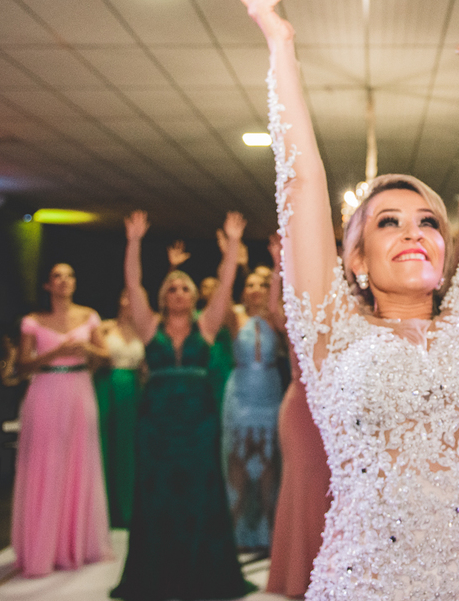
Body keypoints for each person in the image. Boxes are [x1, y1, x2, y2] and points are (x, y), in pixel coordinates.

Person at [226, 0, 459, 599]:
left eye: (427, 221)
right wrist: (280, 45)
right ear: (355, 259)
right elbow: (301, 181)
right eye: (387, 223)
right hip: (376, 578)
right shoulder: (331, 334)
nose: (413, 232)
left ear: (443, 245)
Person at [110, 211, 250, 601]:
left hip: (198, 423)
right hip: (155, 425)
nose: (179, 293)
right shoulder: (149, 327)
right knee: (155, 494)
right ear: (164, 296)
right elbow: (132, 284)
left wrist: (234, 242)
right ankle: (156, 575)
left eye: (186, 289)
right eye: (173, 288)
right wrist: (134, 241)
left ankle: (201, 574)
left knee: (200, 493)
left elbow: (224, 285)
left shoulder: (207, 327)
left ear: (193, 298)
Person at [11, 263, 112, 577]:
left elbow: (107, 355)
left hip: (80, 389)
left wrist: (87, 348)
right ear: (47, 285)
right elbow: (23, 365)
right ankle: (44, 546)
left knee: (80, 462)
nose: (64, 281)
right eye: (57, 276)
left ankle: (77, 544)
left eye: (69, 275)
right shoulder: (32, 322)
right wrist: (54, 354)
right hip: (45, 390)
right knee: (46, 463)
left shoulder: (89, 316)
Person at [265, 233, 332, 598]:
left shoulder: (343, 312)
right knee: (302, 483)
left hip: (336, 410)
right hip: (300, 407)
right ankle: (299, 573)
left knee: (331, 485)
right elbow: (273, 308)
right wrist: (279, 263)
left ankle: (333, 568)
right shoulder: (295, 312)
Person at [222, 257, 285, 551]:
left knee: (270, 465)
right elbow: (221, 299)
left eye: (262, 285)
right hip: (241, 394)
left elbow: (274, 306)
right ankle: (232, 540)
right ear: (243, 290)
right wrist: (231, 259)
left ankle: (271, 540)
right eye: (250, 285)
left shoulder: (276, 317)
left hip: (270, 393)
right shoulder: (235, 316)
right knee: (238, 462)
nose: (256, 289)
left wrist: (275, 267)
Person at [94, 289, 145, 529]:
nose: (129, 301)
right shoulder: (105, 328)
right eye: (125, 296)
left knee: (130, 448)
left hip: (134, 390)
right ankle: (106, 511)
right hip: (108, 387)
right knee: (106, 444)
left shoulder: (143, 331)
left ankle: (129, 509)